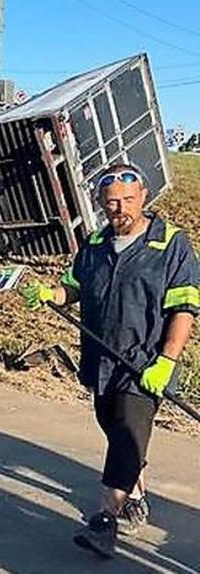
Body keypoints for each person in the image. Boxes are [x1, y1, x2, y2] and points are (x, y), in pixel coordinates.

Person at [20, 162, 200, 558]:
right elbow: (73, 288)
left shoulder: (170, 243)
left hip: (144, 363)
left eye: (127, 200)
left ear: (144, 197)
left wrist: (167, 360)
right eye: (110, 202)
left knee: (127, 435)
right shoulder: (96, 242)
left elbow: (184, 307)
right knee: (112, 427)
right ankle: (135, 495)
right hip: (101, 361)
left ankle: (104, 521)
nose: (118, 208)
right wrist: (51, 295)